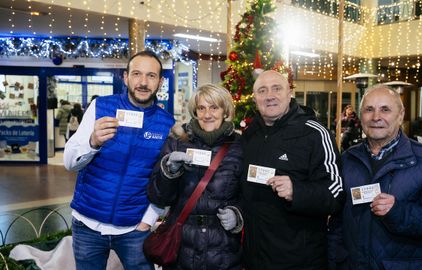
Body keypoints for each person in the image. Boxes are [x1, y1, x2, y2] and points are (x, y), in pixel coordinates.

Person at [63, 50, 175, 270]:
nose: (143, 82)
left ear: (160, 82)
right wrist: (92, 141)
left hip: (134, 229)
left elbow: (164, 181)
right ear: (125, 77)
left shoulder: (167, 124)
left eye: (151, 76)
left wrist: (148, 220)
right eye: (136, 74)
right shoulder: (100, 107)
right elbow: (69, 162)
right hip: (87, 223)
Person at [329, 84, 422, 270]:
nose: (376, 117)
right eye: (369, 109)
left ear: (400, 115)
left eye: (385, 109)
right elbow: (336, 222)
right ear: (361, 116)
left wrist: (399, 212)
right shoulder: (348, 158)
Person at [241, 70, 344, 270]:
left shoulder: (315, 133)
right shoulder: (249, 135)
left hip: (299, 260)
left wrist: (297, 191)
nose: (270, 96)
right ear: (255, 100)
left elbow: (336, 192)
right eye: (262, 91)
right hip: (254, 259)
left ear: (289, 93)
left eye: (277, 88)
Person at [147, 84, 243, 269]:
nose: (207, 114)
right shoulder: (176, 142)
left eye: (214, 107)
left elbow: (251, 196)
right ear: (195, 111)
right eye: (201, 108)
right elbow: (157, 196)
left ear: (225, 111)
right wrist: (169, 172)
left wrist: (238, 214)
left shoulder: (240, 147)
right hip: (182, 246)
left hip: (223, 250)